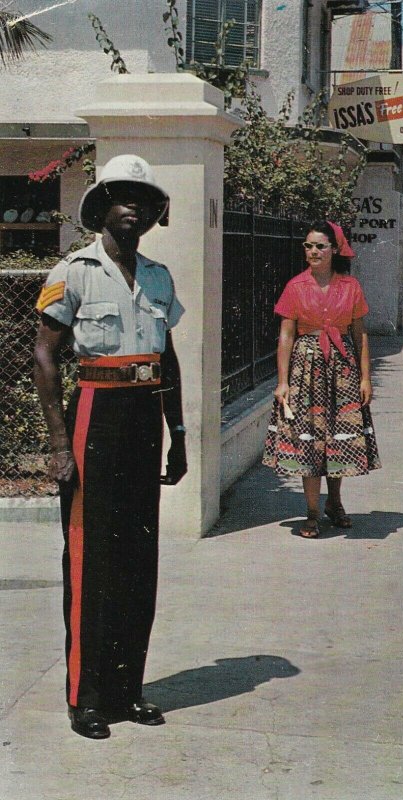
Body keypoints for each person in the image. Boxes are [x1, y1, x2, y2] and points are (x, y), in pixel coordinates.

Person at [33, 155, 187, 740]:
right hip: (94, 414)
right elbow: (45, 355)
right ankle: (87, 697)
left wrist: (178, 433)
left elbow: (166, 359)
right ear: (101, 207)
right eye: (122, 196)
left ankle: (127, 690)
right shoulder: (73, 270)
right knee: (90, 557)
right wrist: (56, 442)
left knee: (137, 559)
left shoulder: (158, 276)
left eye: (144, 200)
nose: (134, 208)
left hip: (145, 416)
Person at [262, 220, 381, 538]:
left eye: (319, 246)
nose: (312, 251)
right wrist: (282, 381)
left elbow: (360, 334)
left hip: (342, 369)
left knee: (337, 439)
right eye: (308, 246)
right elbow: (286, 336)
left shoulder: (351, 287)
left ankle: (335, 503)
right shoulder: (295, 286)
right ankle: (312, 512)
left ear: (334, 250)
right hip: (306, 369)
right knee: (309, 441)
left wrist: (365, 378)